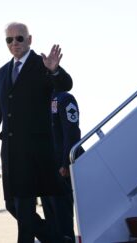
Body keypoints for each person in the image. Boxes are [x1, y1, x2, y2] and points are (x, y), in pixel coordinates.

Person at [0, 22, 73, 243]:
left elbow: (65, 85)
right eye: (9, 39)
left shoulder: (42, 64)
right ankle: (58, 240)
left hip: (34, 152)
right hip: (10, 152)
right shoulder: (2, 72)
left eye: (19, 38)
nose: (14, 43)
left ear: (30, 39)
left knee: (25, 205)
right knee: (12, 204)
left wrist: (54, 70)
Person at [41, 91, 83, 243]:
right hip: (45, 169)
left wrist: (66, 162)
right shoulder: (38, 102)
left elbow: (71, 132)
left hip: (60, 169)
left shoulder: (64, 99)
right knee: (51, 220)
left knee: (62, 220)